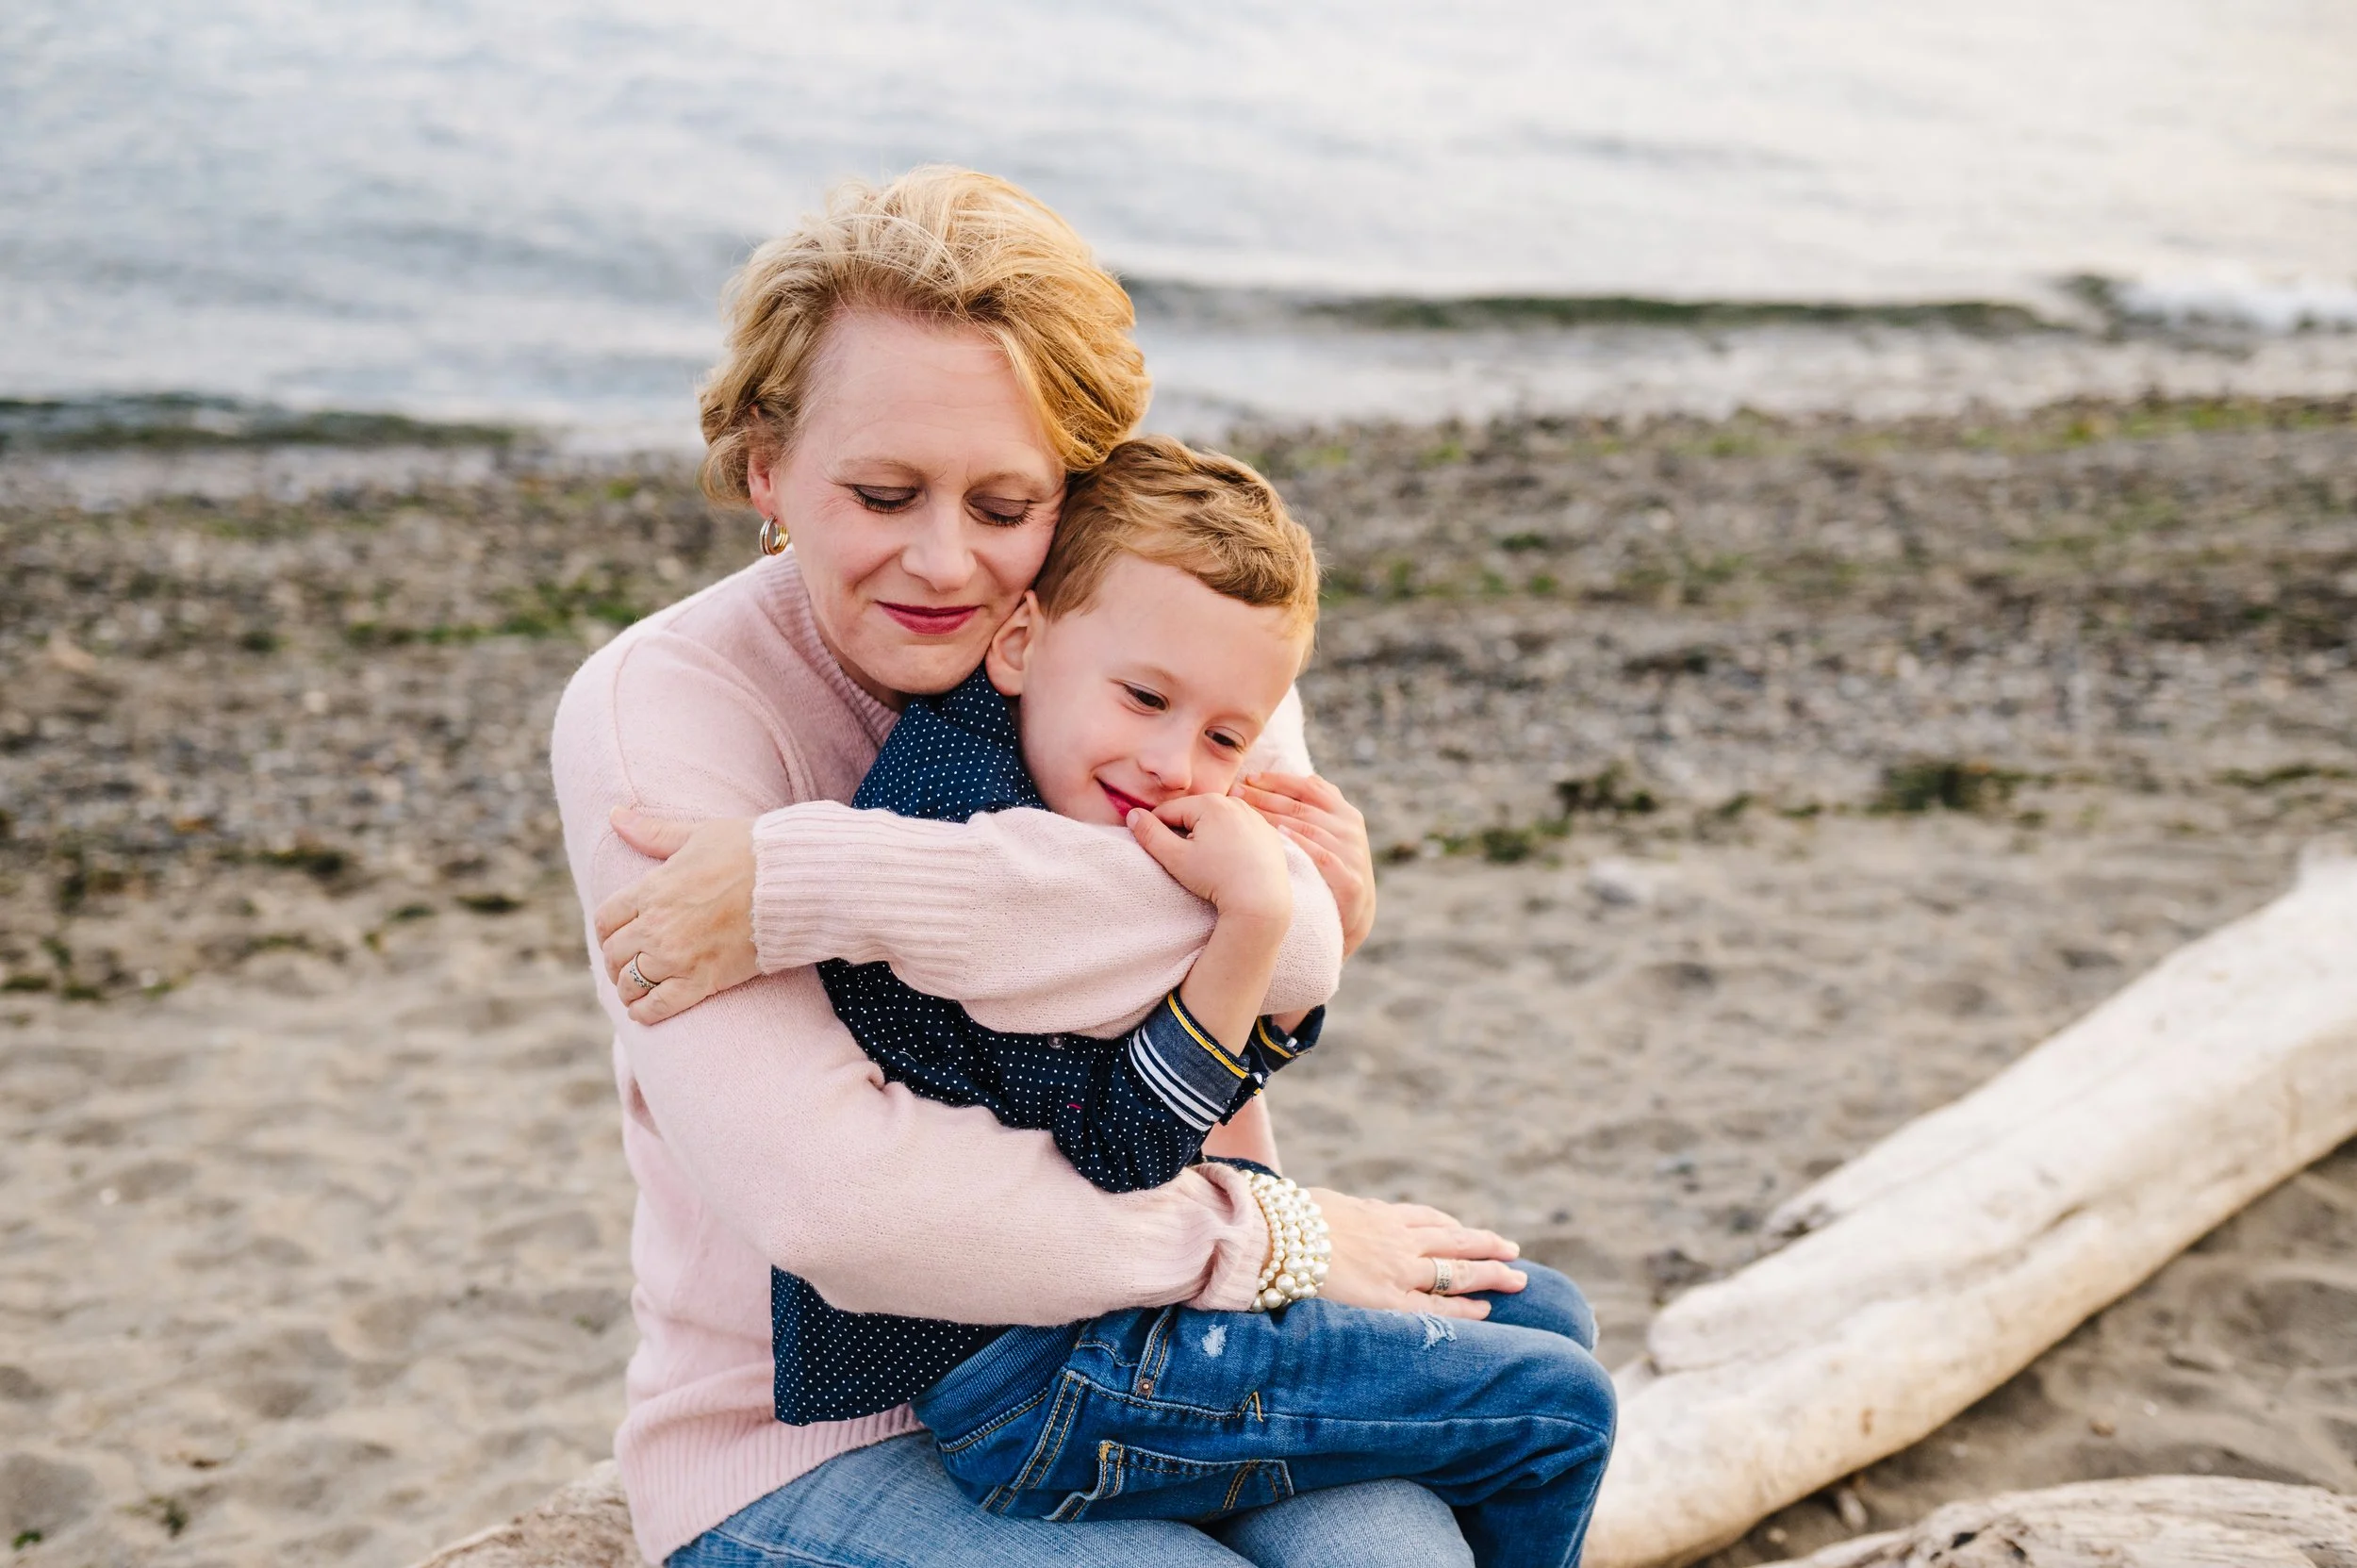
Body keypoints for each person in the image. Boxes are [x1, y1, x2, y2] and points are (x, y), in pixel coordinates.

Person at [553, 165, 1561, 1568]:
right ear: (768, 465)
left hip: (1164, 1344)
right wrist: (1266, 1232)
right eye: (884, 490)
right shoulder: (664, 709)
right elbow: (839, 1204)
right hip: (809, 1435)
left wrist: (809, 878)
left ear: (1077, 484)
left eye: (1007, 498)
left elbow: (1305, 938)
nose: (945, 559)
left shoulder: (1167, 626)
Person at [774, 432, 1614, 1563]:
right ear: (1020, 640)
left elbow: (1212, 1057)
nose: (1174, 762)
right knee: (1564, 1411)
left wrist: (1289, 948)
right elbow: (1130, 1145)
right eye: (1145, 697)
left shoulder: (1053, 777)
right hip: (1037, 1382)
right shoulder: (980, 847)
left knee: (1540, 1314)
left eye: (1223, 734)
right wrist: (1256, 921)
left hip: (1113, 1316)